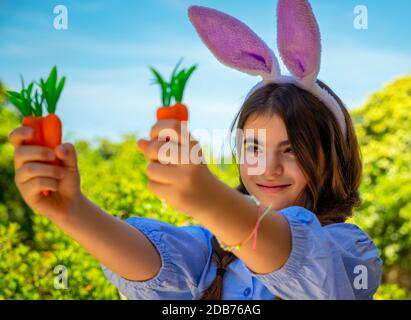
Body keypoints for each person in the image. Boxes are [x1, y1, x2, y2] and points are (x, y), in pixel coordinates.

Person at [8, 0, 382, 299]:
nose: (268, 167)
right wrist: (74, 211)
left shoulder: (350, 253)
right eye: (253, 147)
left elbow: (294, 257)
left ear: (333, 156)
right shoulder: (209, 251)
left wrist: (209, 200)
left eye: (292, 150)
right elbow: (151, 263)